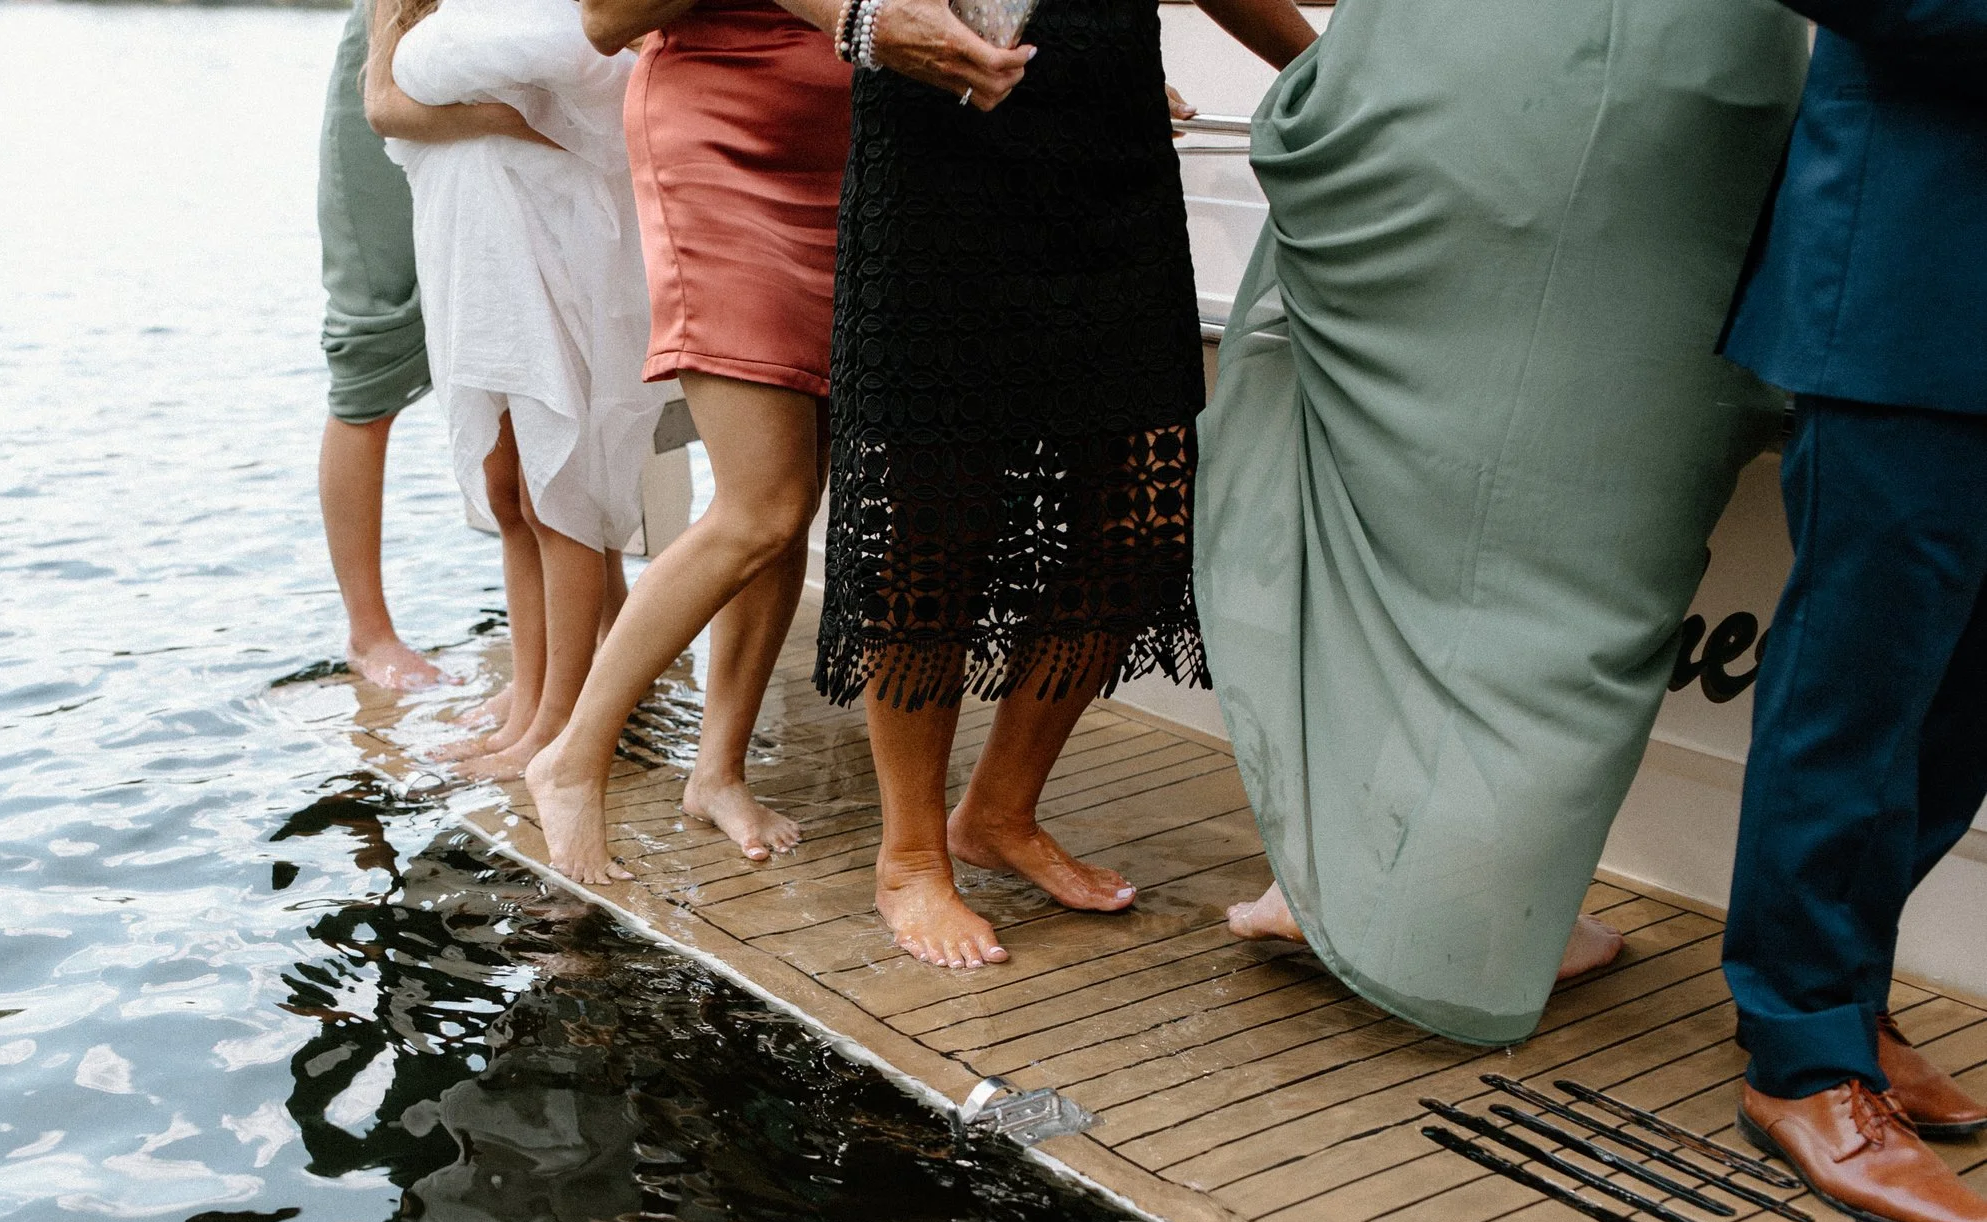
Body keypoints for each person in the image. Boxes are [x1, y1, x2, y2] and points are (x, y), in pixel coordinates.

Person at [1194, 0, 1805, 1043]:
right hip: (1674, 100)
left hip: (1430, 84)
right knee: (1587, 569)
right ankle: (1478, 919)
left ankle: (1325, 881)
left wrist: (1333, 63)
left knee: (1403, 515)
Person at [808, 0, 1314, 968]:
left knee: (1138, 508)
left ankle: (997, 807)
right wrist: (858, 16)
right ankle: (909, 854)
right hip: (936, 147)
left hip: (1113, 157)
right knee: (931, 513)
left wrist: (1324, 69)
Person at [1718, 0, 1987, 1222]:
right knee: (1855, 693)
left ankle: (1850, 1006)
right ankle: (1799, 1060)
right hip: (1914, 283)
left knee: (1960, 711)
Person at [521, 0, 854, 877]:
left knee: (789, 492)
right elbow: (605, 18)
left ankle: (716, 772)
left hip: (845, 155)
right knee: (762, 506)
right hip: (727, 151)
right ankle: (571, 758)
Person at [368, 0, 666, 781]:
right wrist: (498, 117)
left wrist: (498, 115)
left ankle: (556, 722)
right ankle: (530, 696)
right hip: (465, 233)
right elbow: (384, 107)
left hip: (554, 222)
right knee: (507, 488)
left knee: (555, 481)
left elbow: (612, 66)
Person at [317, 0, 448, 692]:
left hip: (503, 59)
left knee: (534, 339)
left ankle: (593, 606)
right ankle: (369, 634)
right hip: (390, 59)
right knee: (368, 343)